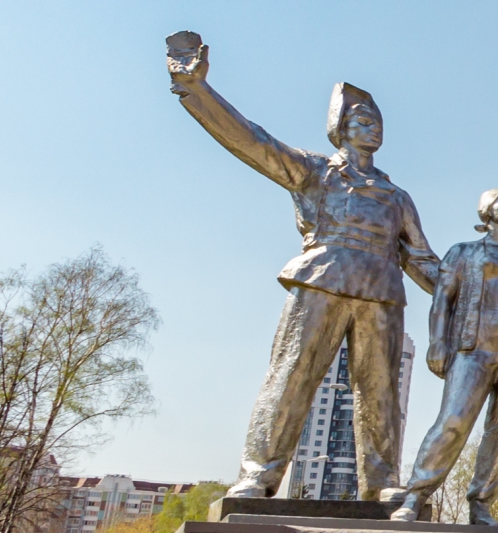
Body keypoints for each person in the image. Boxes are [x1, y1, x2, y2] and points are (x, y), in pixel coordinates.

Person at [165, 33, 439, 500]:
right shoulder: (317, 172)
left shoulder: (396, 197)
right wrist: (197, 89)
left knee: (380, 392)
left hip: (381, 294)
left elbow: (421, 260)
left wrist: (475, 292)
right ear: (341, 129)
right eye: (362, 120)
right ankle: (259, 473)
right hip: (322, 280)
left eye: (377, 122)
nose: (373, 128)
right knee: (293, 374)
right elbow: (254, 142)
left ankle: (382, 482)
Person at [392, 188, 498, 524]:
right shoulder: (463, 252)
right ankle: (415, 494)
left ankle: (481, 502)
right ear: (487, 210)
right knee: (453, 420)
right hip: (473, 349)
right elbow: (442, 301)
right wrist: (437, 343)